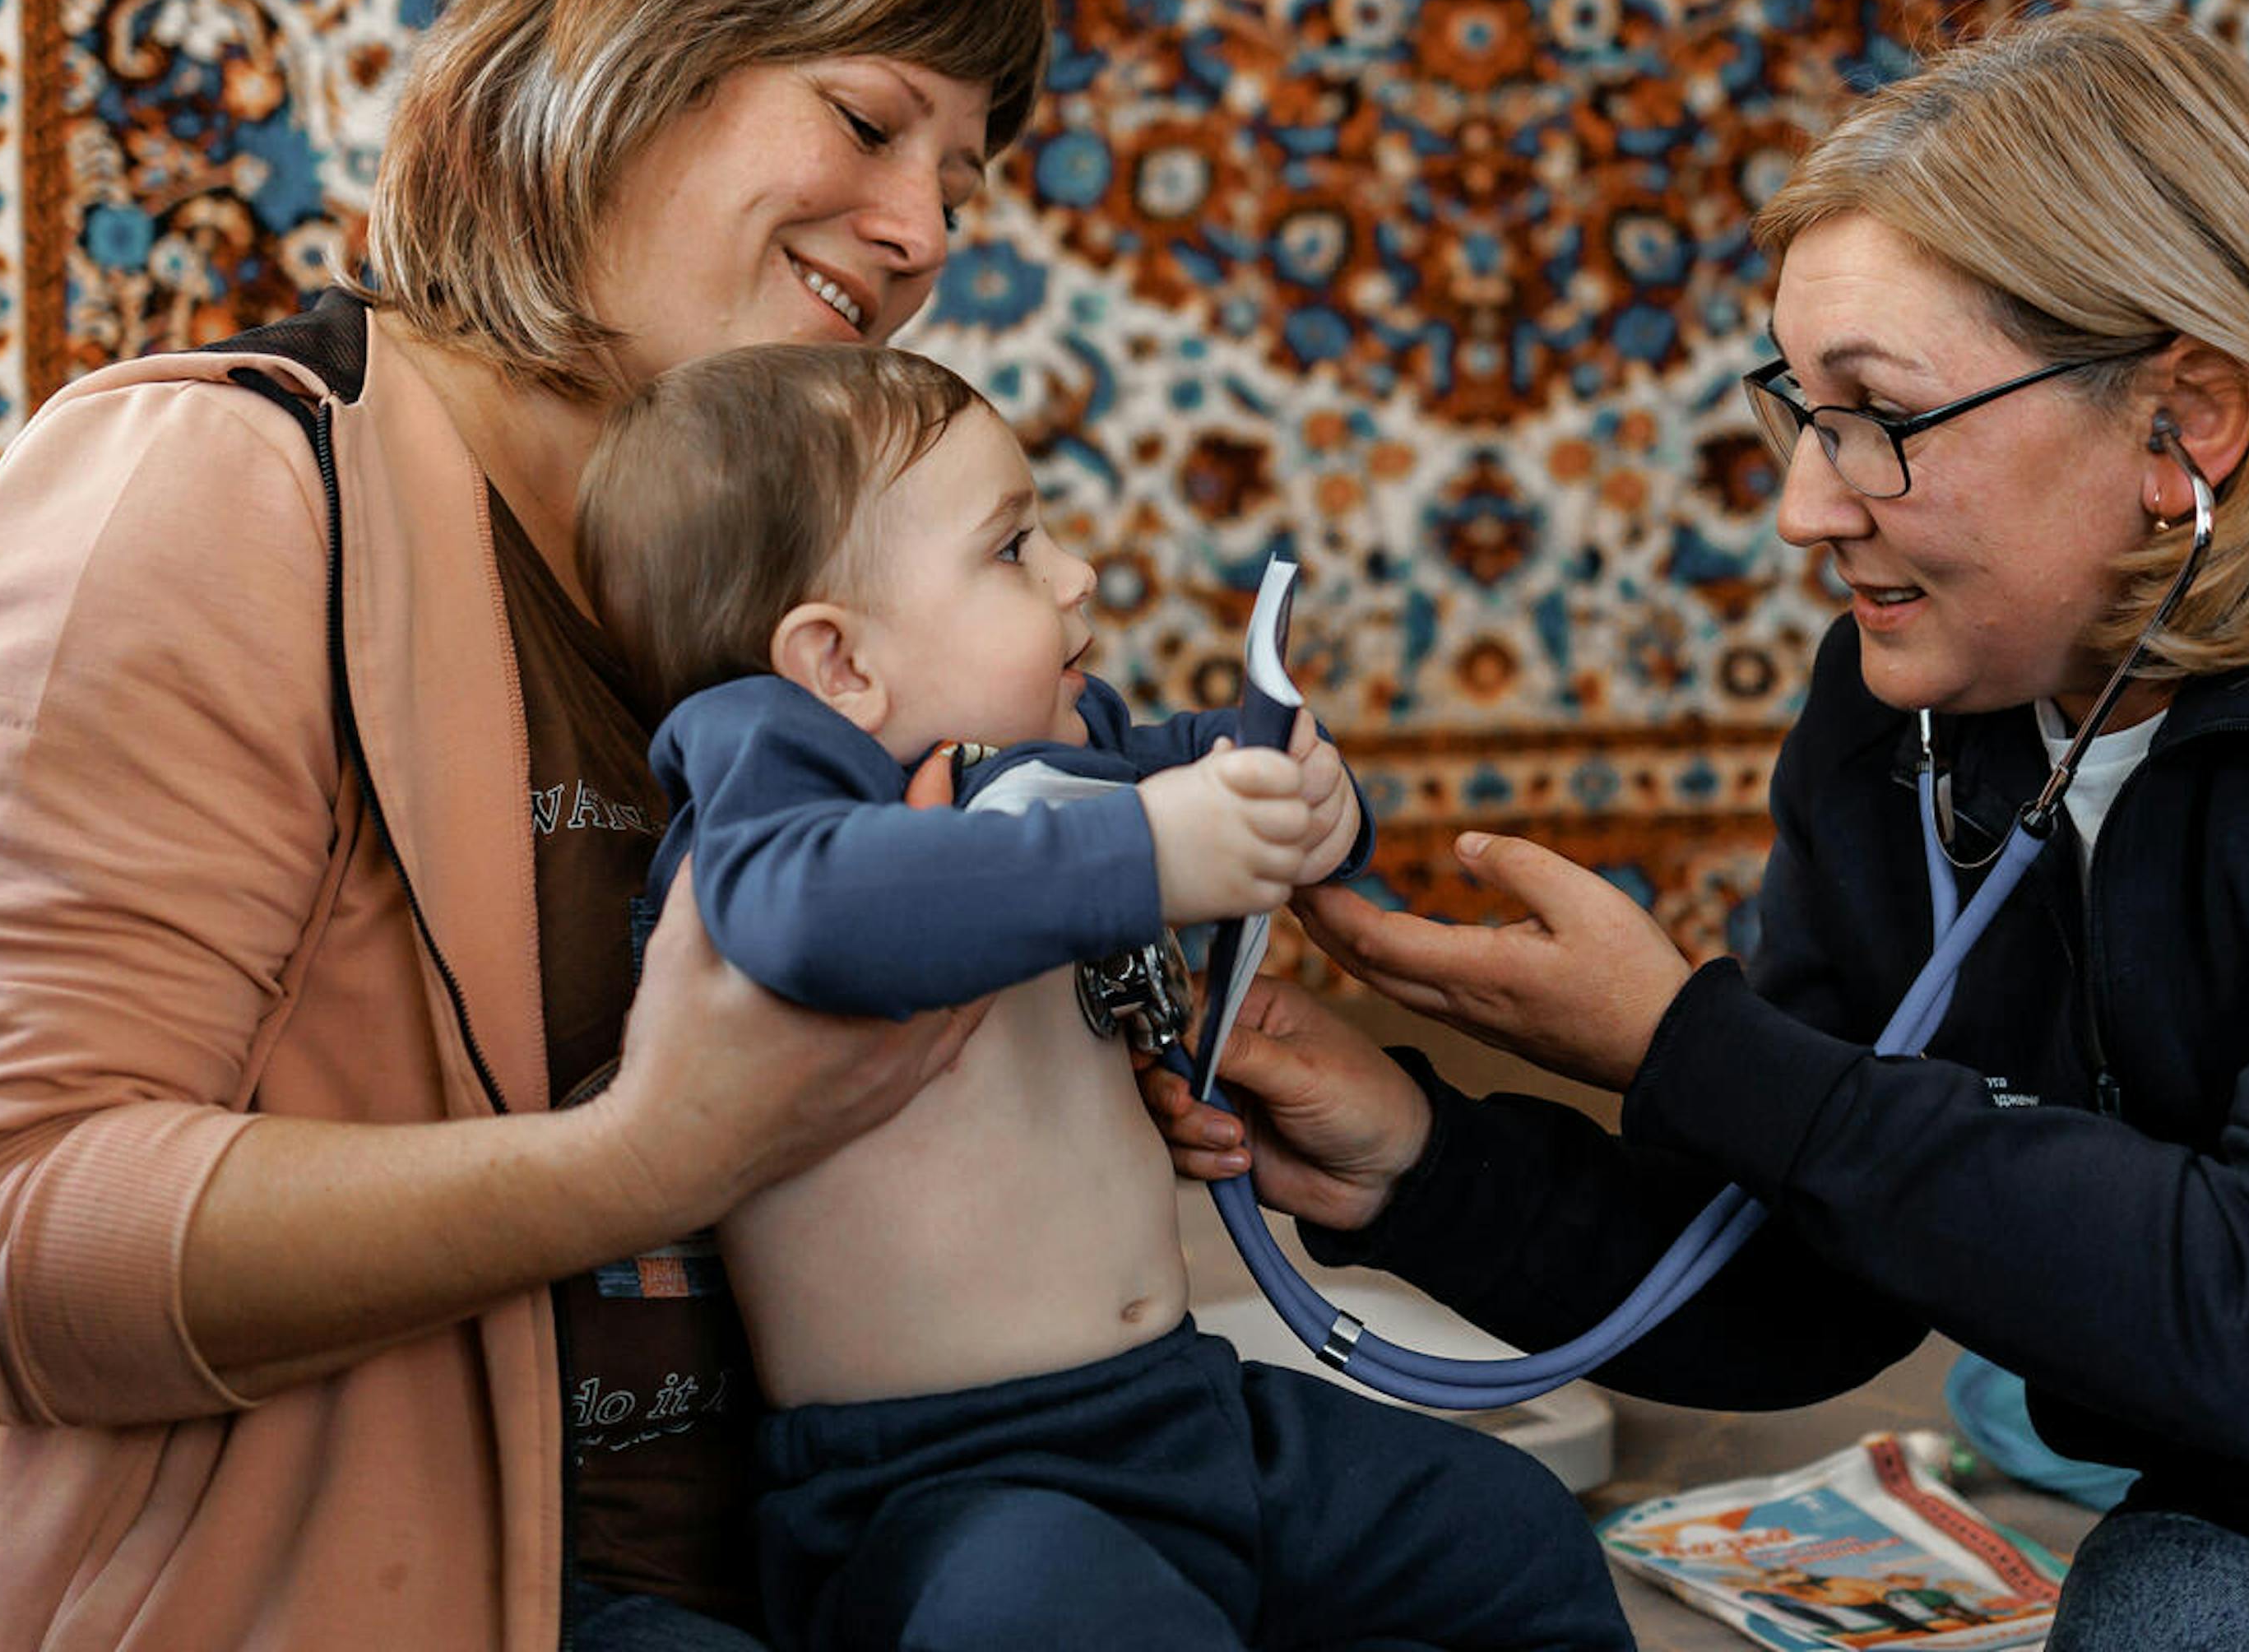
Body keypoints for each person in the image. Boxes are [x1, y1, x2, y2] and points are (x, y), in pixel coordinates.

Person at [1156, 7, 2249, 1652]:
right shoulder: (1913, 708)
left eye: (1879, 417)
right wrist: (1418, 1160)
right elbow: (1815, 1273)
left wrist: (1689, 1041)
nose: (1810, 505)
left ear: (2184, 424)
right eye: (1801, 414)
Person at [0, 0, 1050, 1651]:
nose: (920, 227)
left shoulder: (770, 612)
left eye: (961, 177)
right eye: (869, 120)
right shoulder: (212, 487)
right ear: (625, 30)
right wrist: (634, 1163)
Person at [568, 341, 1635, 1652]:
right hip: (950, 1483)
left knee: (1505, 1533)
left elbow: (1200, 770)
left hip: (1188, 1409)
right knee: (1050, 1616)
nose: (1078, 574)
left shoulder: (1055, 752)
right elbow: (808, 909)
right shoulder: (765, 774)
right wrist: (1152, 849)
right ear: (838, 664)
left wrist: (1301, 798)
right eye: (1014, 548)